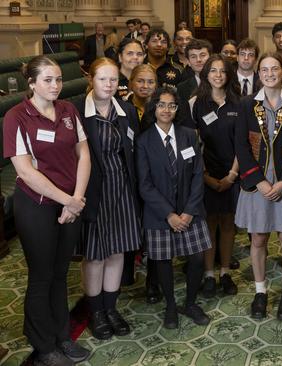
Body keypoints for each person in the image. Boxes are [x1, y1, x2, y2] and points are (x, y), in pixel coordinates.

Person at [3, 55, 91, 365]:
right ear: (31, 84)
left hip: (70, 204)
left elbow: (84, 153)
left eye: (58, 79)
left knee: (60, 273)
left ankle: (62, 335)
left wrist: (76, 198)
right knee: (41, 276)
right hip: (37, 206)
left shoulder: (68, 110)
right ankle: (43, 343)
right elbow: (26, 172)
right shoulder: (17, 116)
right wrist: (67, 200)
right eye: (48, 80)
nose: (55, 85)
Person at [235, 52, 282, 321]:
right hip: (258, 184)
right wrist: (259, 181)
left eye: (274, 68)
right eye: (263, 69)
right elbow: (240, 146)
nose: (268, 73)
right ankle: (260, 290)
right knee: (258, 238)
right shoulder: (246, 105)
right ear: (258, 73)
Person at [75, 57, 142, 340]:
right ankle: (97, 312)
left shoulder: (126, 110)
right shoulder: (77, 110)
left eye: (113, 79)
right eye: (102, 79)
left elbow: (133, 150)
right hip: (94, 191)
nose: (109, 84)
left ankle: (111, 308)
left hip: (123, 188)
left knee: (117, 250)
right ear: (91, 79)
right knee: (95, 255)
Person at [136, 86, 212, 329]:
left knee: (198, 258)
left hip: (191, 210)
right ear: (153, 108)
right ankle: (170, 305)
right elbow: (144, 184)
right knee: (163, 262)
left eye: (171, 105)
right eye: (161, 105)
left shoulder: (189, 134)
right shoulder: (143, 141)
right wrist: (169, 214)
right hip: (160, 215)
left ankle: (190, 302)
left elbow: (199, 175)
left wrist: (188, 211)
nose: (166, 110)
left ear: (177, 109)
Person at [190, 54, 241, 298]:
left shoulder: (238, 103)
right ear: (206, 74)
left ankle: (225, 273)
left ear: (229, 74)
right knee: (209, 224)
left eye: (222, 71)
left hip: (233, 173)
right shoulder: (195, 104)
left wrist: (232, 175)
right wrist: (205, 177)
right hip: (205, 174)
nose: (218, 75)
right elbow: (192, 145)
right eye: (213, 70)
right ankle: (209, 275)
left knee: (228, 223)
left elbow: (243, 143)